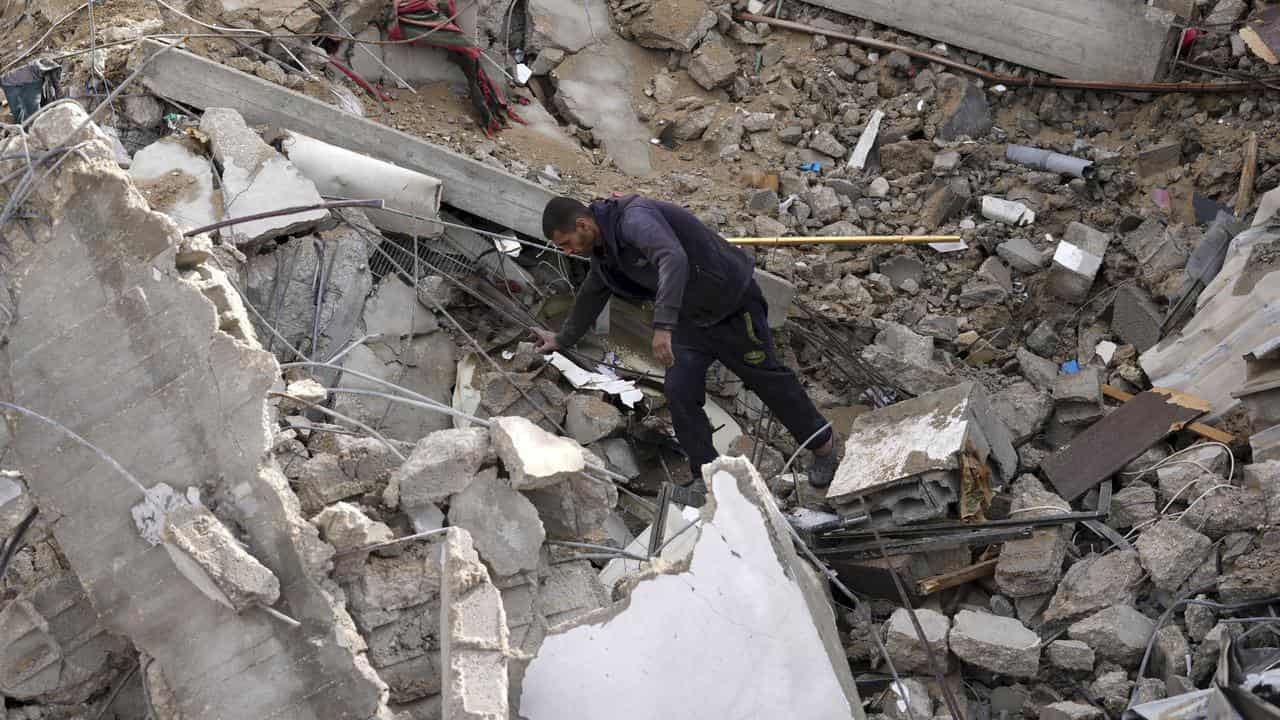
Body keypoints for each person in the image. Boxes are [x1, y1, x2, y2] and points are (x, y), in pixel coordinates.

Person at [531, 195, 840, 493]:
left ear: (583, 225)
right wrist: (562, 339)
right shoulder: (603, 250)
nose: (568, 252)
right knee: (680, 392)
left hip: (732, 306)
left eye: (566, 243)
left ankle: (823, 446)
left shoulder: (633, 218)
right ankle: (705, 477)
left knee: (768, 379)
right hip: (689, 321)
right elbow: (592, 293)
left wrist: (663, 325)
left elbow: (671, 256)